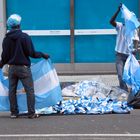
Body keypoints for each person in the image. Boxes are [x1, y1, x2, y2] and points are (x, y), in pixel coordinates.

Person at [0, 14, 50, 119]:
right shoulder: (24, 37)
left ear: (9, 26)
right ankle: (31, 113)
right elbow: (31, 53)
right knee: (29, 90)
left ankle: (14, 113)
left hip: (12, 68)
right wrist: (42, 54)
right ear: (19, 25)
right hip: (23, 69)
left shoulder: (6, 39)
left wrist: (0, 65)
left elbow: (4, 57)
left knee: (12, 90)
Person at [110, 4, 139, 92]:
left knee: (130, 75)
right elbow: (111, 21)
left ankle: (133, 90)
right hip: (119, 55)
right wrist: (118, 11)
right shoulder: (120, 26)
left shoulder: (134, 31)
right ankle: (124, 90)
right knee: (120, 74)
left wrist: (135, 50)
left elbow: (136, 43)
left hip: (129, 56)